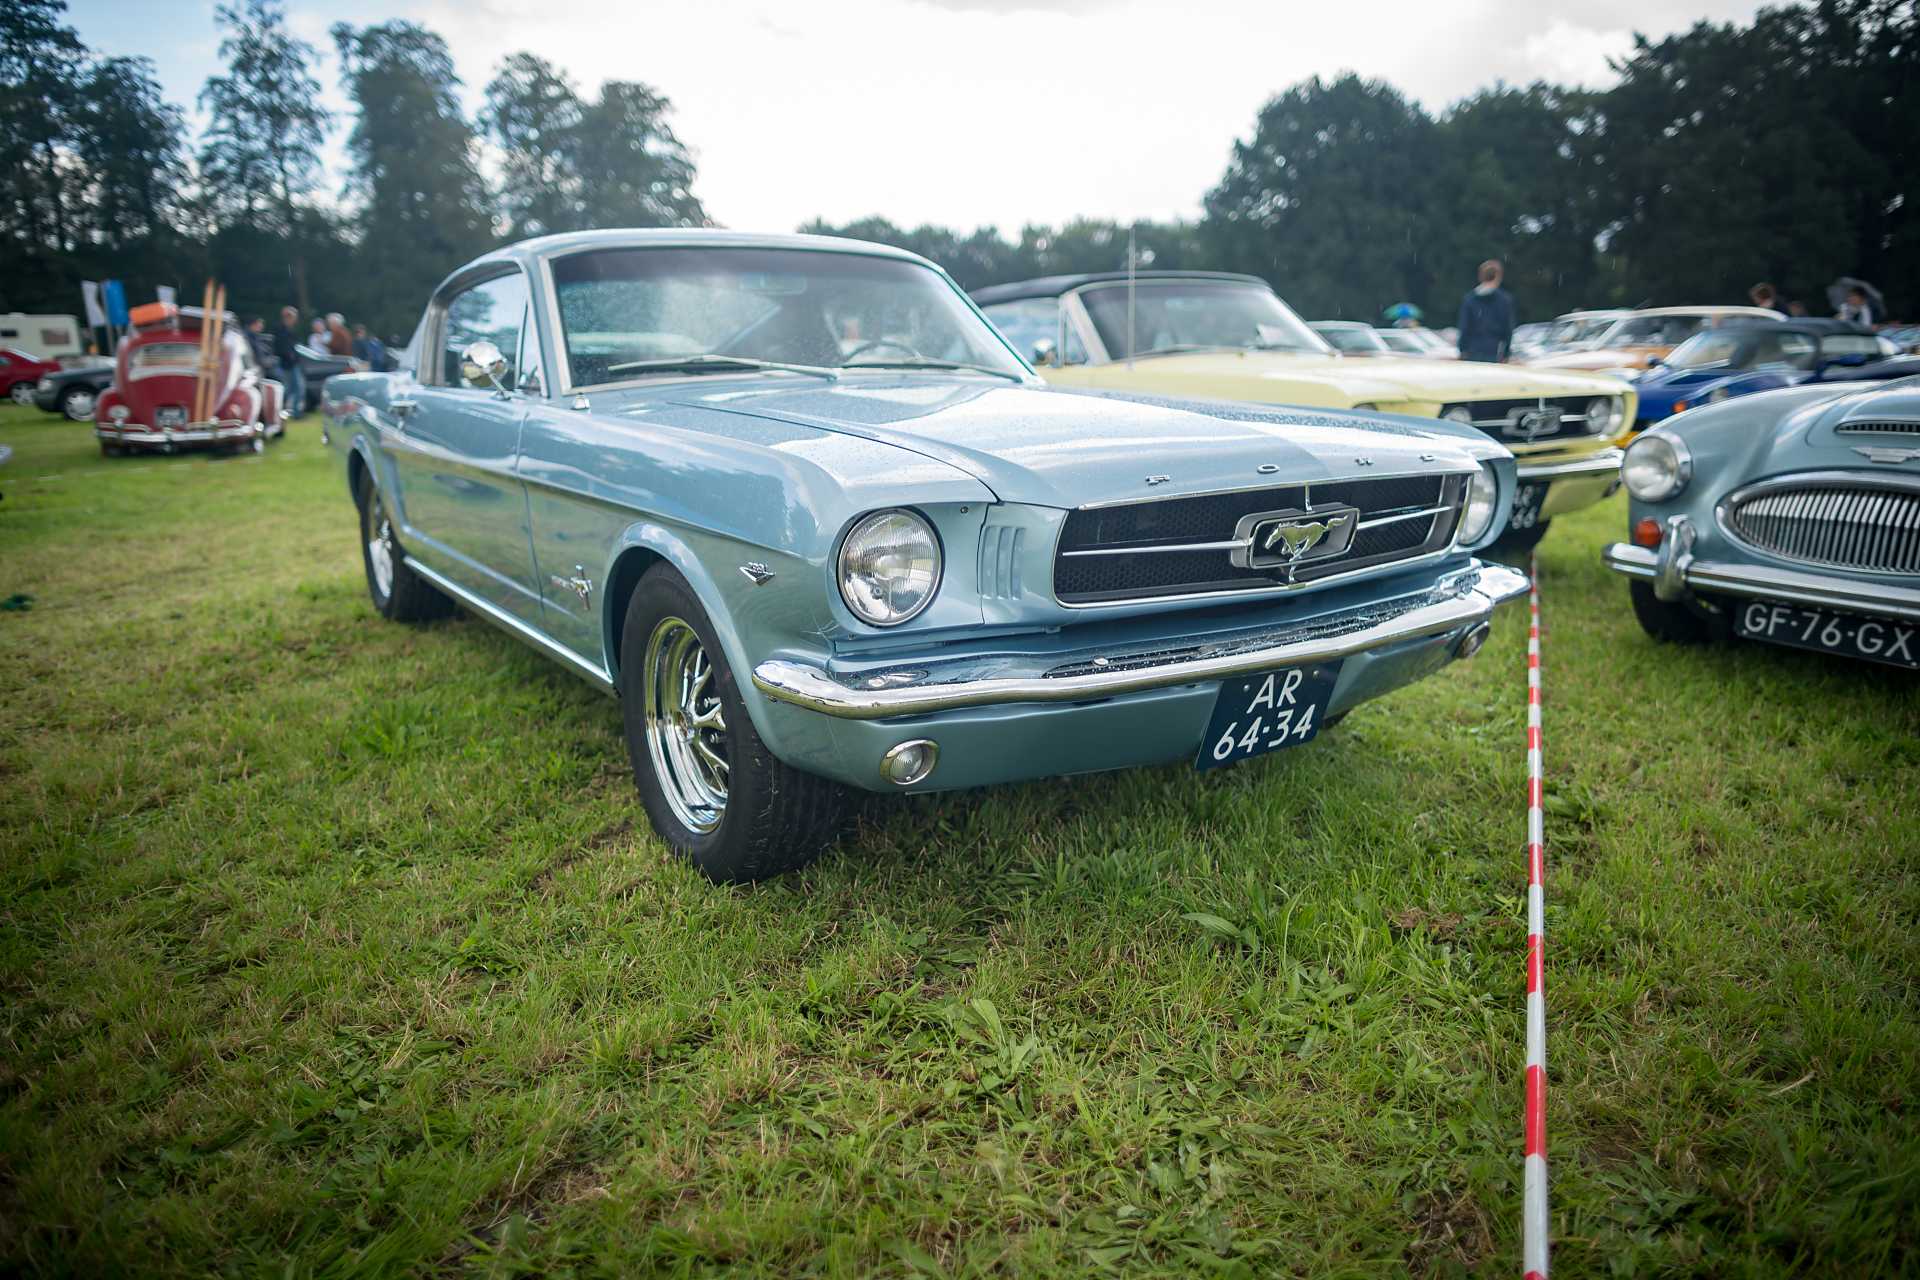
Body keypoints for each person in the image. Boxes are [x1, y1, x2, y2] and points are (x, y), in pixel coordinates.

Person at [1456, 260, 1515, 363]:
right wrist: (1506, 353)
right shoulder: (1505, 300)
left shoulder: (1469, 299)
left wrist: (1462, 349)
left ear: (1481, 276)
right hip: (1494, 350)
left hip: (1472, 349)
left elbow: (1464, 327)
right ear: (1498, 276)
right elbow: (1508, 329)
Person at [273, 306, 306, 417]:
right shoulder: (280, 330)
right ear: (288, 317)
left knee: (294, 389)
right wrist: (291, 356)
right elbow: (282, 348)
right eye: (293, 317)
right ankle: (287, 412)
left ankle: (293, 412)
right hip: (286, 364)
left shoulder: (289, 330)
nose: (295, 320)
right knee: (291, 389)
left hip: (292, 363)